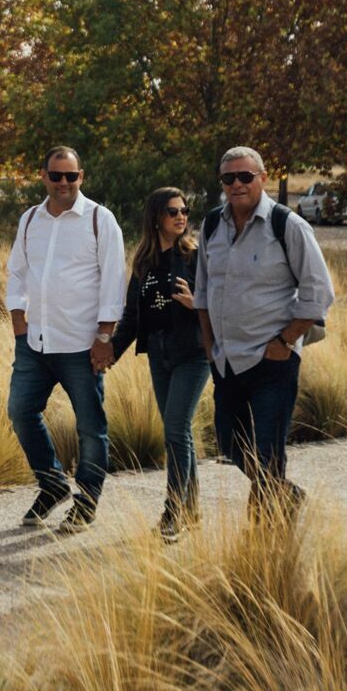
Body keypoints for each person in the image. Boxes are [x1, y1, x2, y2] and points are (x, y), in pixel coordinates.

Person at [193, 146, 335, 518]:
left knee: (268, 449)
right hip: (226, 360)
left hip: (272, 359)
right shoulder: (211, 225)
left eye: (245, 176)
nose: (237, 184)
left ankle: (269, 537)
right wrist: (209, 346)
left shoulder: (286, 225)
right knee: (228, 440)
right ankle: (285, 495)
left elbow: (319, 292)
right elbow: (203, 292)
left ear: (263, 178)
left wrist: (285, 341)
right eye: (229, 178)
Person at [5, 146, 127, 531]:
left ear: (81, 177)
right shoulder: (30, 220)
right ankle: (53, 483)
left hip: (81, 345)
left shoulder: (99, 220)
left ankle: (87, 501)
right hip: (35, 345)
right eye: (55, 176)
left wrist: (105, 337)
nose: (63, 183)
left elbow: (113, 282)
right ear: (44, 177)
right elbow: (16, 273)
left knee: (91, 427)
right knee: (20, 412)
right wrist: (19, 326)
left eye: (70, 176)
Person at [111, 187, 208, 540]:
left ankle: (174, 512)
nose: (181, 217)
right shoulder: (144, 262)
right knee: (177, 432)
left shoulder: (197, 257)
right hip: (159, 354)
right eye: (172, 211)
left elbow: (218, 305)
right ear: (156, 218)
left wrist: (195, 303)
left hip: (193, 355)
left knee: (175, 429)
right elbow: (133, 316)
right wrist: (111, 352)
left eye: (185, 210)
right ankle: (192, 508)